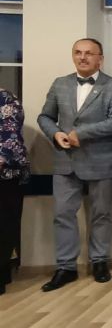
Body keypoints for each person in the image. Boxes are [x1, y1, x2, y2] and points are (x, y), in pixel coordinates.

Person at [37, 38, 112, 291]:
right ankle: (66, 267)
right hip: (65, 161)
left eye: (89, 53)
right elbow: (45, 117)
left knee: (101, 214)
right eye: (78, 52)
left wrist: (82, 133)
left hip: (102, 161)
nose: (83, 57)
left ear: (100, 59)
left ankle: (99, 262)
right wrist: (55, 133)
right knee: (62, 214)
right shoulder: (60, 84)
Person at [0, 89, 28, 296]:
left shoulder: (6, 100)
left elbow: (11, 140)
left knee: (4, 226)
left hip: (5, 175)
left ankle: (2, 272)